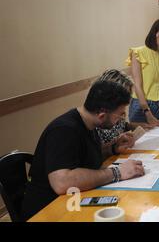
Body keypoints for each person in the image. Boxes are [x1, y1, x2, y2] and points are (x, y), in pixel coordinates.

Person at [22, 80, 145, 220]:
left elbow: (84, 157)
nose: (121, 119)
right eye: (120, 115)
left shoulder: (88, 123)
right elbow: (62, 183)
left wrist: (112, 148)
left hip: (73, 200)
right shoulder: (64, 130)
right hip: (49, 210)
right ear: (102, 115)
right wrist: (117, 172)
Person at [126, 18, 159, 127]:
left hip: (158, 105)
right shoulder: (138, 52)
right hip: (142, 106)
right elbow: (137, 86)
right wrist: (147, 111)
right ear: (154, 33)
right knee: (142, 142)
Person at [95, 69, 151, 143]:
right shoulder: (95, 119)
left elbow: (123, 125)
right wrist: (114, 146)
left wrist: (137, 126)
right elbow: (96, 151)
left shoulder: (117, 110)